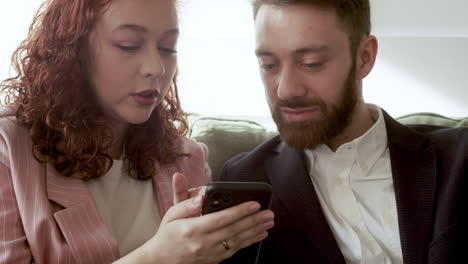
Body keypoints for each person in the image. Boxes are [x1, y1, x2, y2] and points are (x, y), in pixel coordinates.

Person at [0, 0, 274, 263]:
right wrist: (159, 258)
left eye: (168, 48)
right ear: (73, 49)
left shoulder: (186, 158)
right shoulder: (8, 147)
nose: (156, 68)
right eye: (128, 46)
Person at [221, 0, 468, 263]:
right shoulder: (243, 180)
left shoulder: (460, 159)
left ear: (365, 57)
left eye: (311, 63)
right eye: (269, 65)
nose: (286, 90)